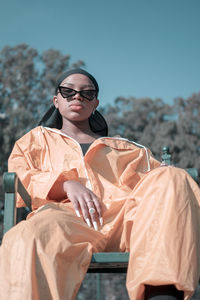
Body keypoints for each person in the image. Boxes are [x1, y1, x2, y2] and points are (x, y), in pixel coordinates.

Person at [0, 68, 200, 300]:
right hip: (65, 219)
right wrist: (65, 184)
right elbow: (21, 176)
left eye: (86, 93)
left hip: (124, 219)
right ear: (56, 100)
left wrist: (166, 175)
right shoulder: (35, 140)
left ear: (95, 102)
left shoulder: (127, 148)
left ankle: (161, 295)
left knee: (173, 177)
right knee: (29, 234)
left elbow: (158, 189)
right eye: (68, 91)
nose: (77, 97)